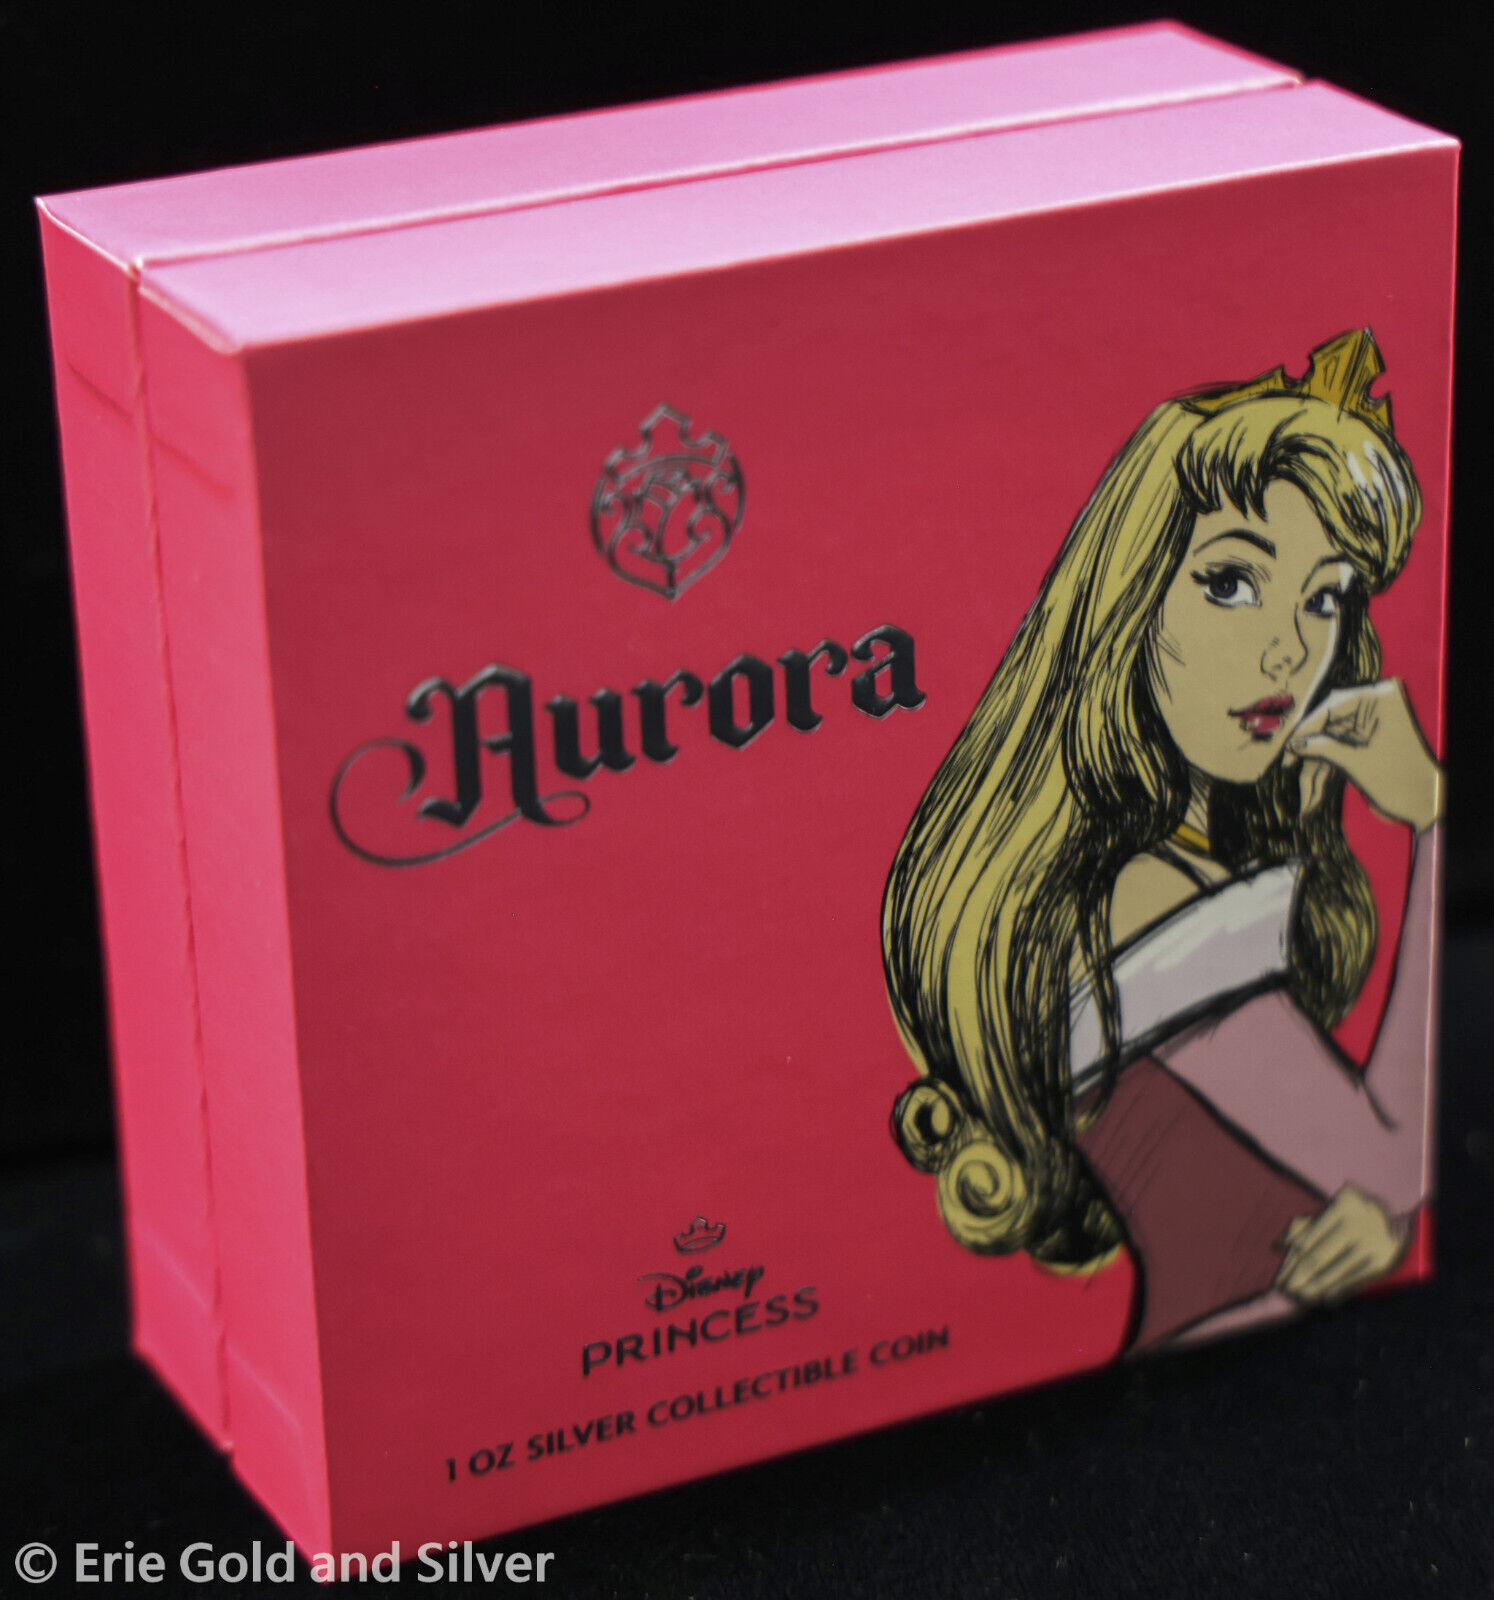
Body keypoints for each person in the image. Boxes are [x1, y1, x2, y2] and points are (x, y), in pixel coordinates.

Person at [882, 330, 1443, 1353]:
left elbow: (1340, 1193)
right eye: (1231, 582)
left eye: (1323, 596)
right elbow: (1395, 1165)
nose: (1288, 649)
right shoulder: (1145, 894)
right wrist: (1432, 819)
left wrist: (1372, 1229)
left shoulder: (1183, 855)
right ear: (1130, 602)